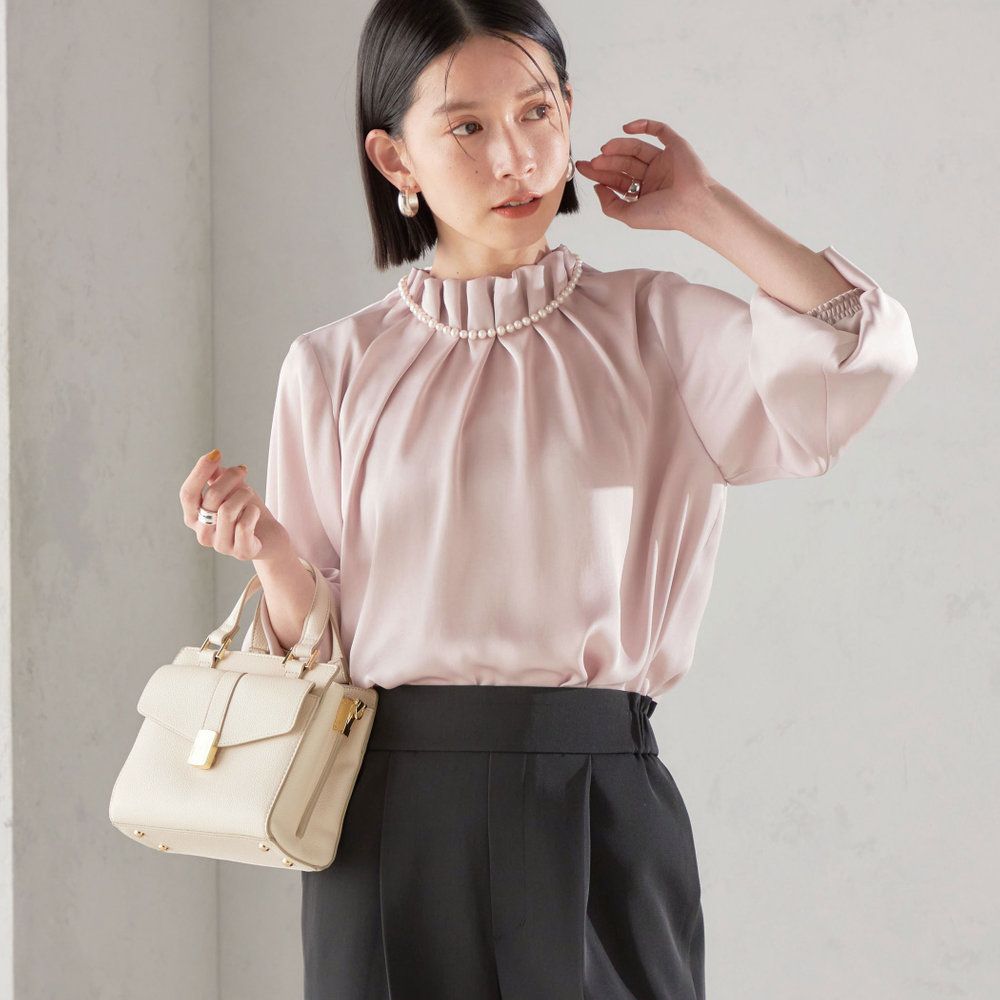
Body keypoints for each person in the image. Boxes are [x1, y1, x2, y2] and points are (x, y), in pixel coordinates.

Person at [182, 1, 917, 997]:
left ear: (570, 111)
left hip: (597, 801)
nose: (516, 158)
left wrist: (702, 207)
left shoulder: (654, 330)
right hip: (388, 818)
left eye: (537, 112)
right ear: (394, 159)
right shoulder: (334, 367)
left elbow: (850, 346)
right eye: (467, 126)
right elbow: (316, 652)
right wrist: (268, 550)